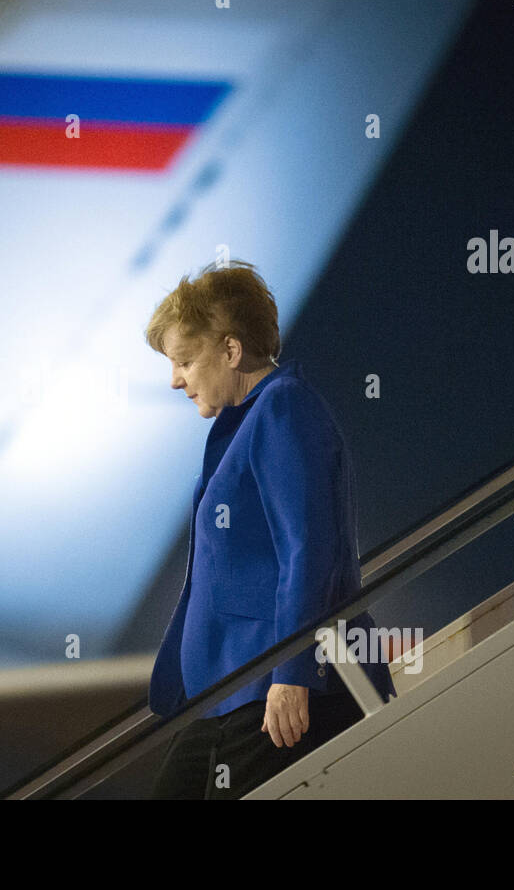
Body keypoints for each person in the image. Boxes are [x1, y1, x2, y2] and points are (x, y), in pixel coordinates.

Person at [142, 259, 396, 799]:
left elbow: (308, 550)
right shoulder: (249, 422)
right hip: (223, 694)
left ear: (231, 351)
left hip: (268, 688)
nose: (174, 380)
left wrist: (292, 672)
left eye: (185, 360)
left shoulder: (284, 408)